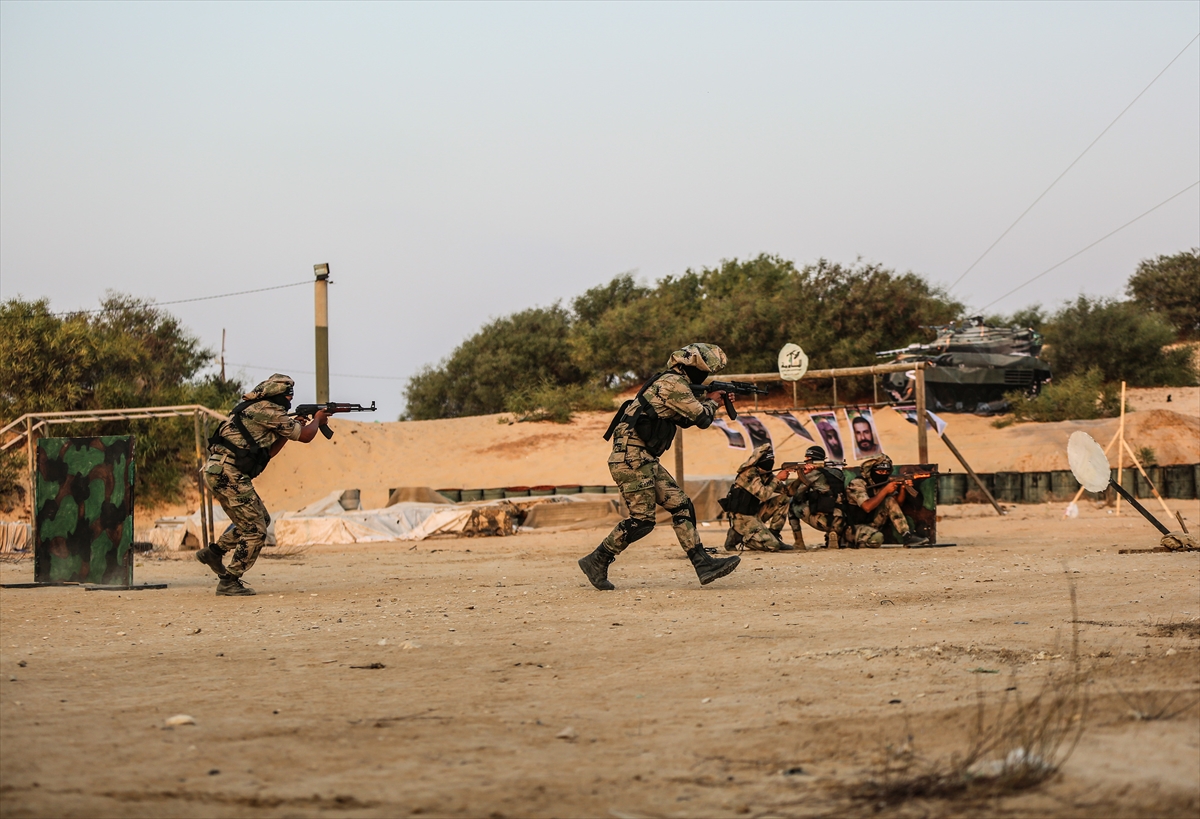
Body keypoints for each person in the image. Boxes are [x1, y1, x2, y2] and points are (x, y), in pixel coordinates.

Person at [579, 344, 741, 590]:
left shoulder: (675, 385)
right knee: (642, 521)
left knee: (681, 505)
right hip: (631, 458)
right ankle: (597, 559)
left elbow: (685, 420)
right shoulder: (673, 384)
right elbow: (702, 419)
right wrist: (713, 401)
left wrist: (708, 399)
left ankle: (702, 564)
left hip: (642, 458)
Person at [194, 374, 335, 596]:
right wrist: (317, 420)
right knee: (256, 530)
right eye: (287, 395)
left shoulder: (255, 408)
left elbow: (268, 453)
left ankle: (214, 552)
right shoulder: (268, 410)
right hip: (228, 472)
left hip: (221, 471)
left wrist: (289, 430)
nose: (289, 399)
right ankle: (229, 580)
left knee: (260, 520)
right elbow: (307, 436)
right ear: (277, 394)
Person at [721, 444, 795, 552]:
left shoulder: (765, 475)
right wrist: (778, 478)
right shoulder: (749, 473)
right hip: (742, 516)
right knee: (772, 546)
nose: (772, 460)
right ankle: (741, 536)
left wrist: (802, 476)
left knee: (783, 499)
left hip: (754, 513)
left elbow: (787, 492)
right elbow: (763, 495)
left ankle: (774, 534)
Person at [844, 455, 929, 548]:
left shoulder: (883, 483)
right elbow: (867, 507)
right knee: (877, 538)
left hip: (872, 525)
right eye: (880, 471)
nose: (884, 474)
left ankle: (907, 536)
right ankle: (853, 542)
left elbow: (897, 504)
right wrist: (885, 490)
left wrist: (903, 488)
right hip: (852, 528)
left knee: (889, 500)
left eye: (886, 472)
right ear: (871, 471)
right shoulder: (857, 484)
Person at [787, 445, 848, 549]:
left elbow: (796, 495)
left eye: (807, 458)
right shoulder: (836, 473)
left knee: (792, 504)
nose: (805, 460)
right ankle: (833, 534)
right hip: (841, 520)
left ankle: (799, 542)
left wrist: (802, 475)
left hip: (823, 521)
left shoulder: (814, 474)